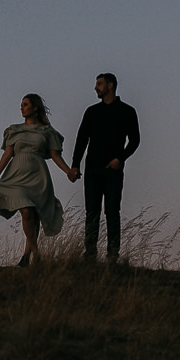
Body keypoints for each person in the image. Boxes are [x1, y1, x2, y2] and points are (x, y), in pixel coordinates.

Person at [0, 93, 78, 267]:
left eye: (26, 104)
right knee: (26, 211)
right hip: (16, 175)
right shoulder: (14, 130)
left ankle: (25, 257)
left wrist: (68, 172)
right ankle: (37, 255)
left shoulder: (47, 132)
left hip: (38, 176)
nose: (22, 107)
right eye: (21, 104)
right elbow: (7, 154)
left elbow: (55, 155)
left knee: (34, 216)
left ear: (35, 107)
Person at [71, 72, 140, 263]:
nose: (95, 87)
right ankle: (90, 254)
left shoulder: (127, 111)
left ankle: (112, 255)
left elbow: (135, 140)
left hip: (113, 170)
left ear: (110, 85)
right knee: (92, 212)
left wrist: (121, 158)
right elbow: (81, 139)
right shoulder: (92, 112)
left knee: (111, 210)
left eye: (99, 84)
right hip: (92, 168)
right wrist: (75, 165)